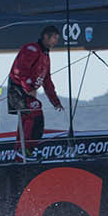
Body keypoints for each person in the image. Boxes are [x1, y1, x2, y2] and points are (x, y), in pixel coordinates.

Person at [7, 25, 63, 155]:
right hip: (17, 89)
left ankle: (23, 151)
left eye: (57, 38)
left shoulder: (46, 56)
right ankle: (24, 149)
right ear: (45, 37)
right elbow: (20, 70)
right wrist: (29, 88)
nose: (56, 41)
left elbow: (47, 80)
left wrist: (55, 102)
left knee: (29, 117)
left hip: (27, 91)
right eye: (54, 38)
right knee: (35, 111)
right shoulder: (31, 49)